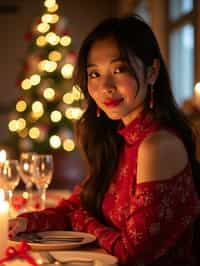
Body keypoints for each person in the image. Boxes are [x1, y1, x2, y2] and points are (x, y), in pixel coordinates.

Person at [9, 15, 200, 265]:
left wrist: (82, 221)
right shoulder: (118, 136)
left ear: (152, 72)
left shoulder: (157, 145)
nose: (105, 86)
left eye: (119, 69)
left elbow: (133, 254)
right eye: (95, 74)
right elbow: (81, 202)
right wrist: (26, 221)